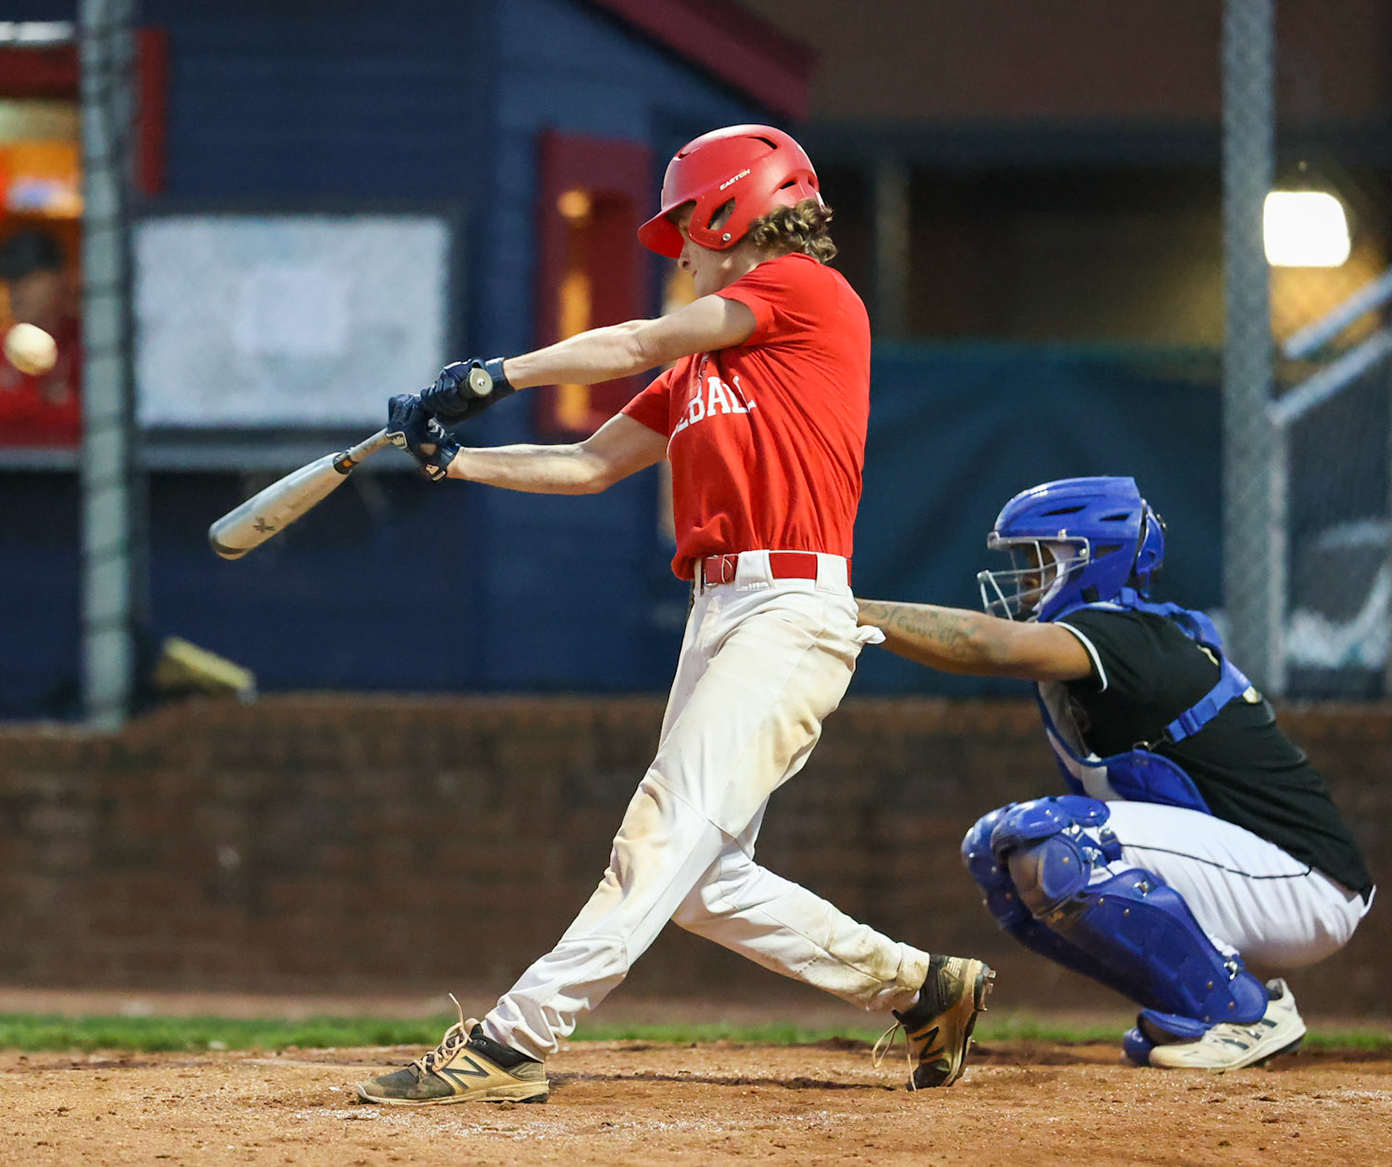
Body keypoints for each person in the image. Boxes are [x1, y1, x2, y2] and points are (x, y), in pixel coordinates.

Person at [357, 125, 994, 1106]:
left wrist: (498, 374)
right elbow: (589, 463)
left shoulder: (803, 290)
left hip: (791, 607)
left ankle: (510, 1040)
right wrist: (454, 460)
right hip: (722, 610)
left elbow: (642, 338)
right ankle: (924, 987)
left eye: (690, 228)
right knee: (702, 881)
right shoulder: (706, 368)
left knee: (658, 836)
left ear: (737, 208)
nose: (683, 252)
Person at [856, 476, 1374, 1071]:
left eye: (1038, 559)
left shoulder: (1127, 633)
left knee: (1054, 840)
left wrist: (853, 611)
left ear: (1093, 559)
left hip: (1305, 883)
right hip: (1254, 873)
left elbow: (986, 645)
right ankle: (1194, 1004)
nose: (1025, 579)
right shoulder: (1108, 644)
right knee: (995, 852)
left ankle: (1244, 1014)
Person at [0, 228, 80, 441]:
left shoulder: (85, 347)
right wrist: (41, 401)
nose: (15, 290)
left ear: (58, 279)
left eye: (28, 277)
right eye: (10, 279)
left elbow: (92, 424)